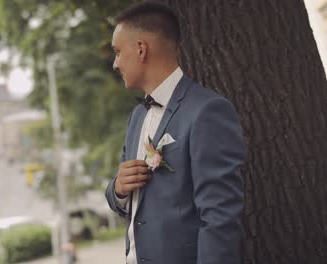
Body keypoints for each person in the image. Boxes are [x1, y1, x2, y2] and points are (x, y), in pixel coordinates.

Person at [104, 2, 246, 264]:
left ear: (141, 49)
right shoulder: (137, 117)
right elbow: (125, 203)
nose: (115, 63)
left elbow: (220, 217)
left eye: (117, 52)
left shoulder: (207, 111)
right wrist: (118, 189)